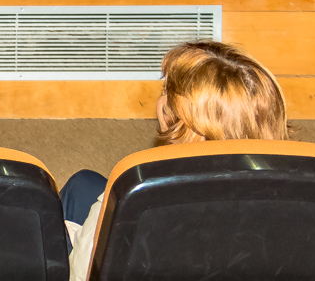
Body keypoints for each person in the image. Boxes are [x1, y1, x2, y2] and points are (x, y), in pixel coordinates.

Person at [58, 40, 291, 277]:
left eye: (165, 93)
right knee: (84, 184)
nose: (160, 102)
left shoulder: (131, 197)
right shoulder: (298, 194)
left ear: (177, 120)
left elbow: (84, 274)